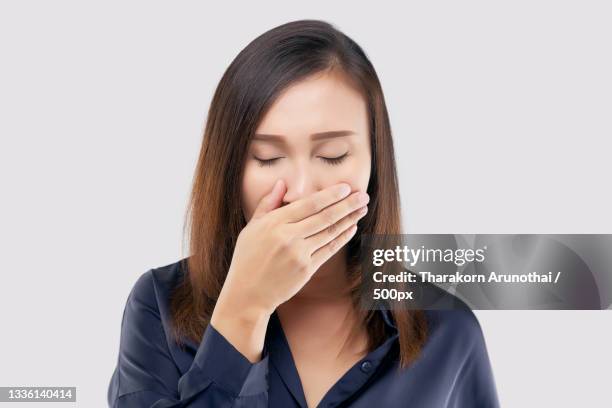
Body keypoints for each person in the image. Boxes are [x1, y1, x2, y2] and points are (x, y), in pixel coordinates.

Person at [107, 19, 500, 407]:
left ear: (374, 163)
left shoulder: (448, 332)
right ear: (229, 169)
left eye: (333, 156)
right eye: (268, 158)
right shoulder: (159, 307)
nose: (300, 191)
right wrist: (244, 310)